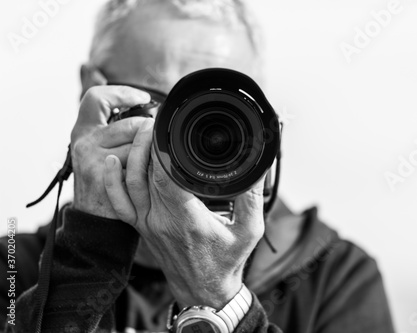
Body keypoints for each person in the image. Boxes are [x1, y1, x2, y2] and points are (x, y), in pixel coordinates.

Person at [0, 1, 395, 332]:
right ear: (93, 93)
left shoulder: (333, 278)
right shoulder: (14, 270)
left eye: (217, 108)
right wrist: (86, 260)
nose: (189, 134)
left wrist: (219, 298)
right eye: (162, 103)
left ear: (262, 120)